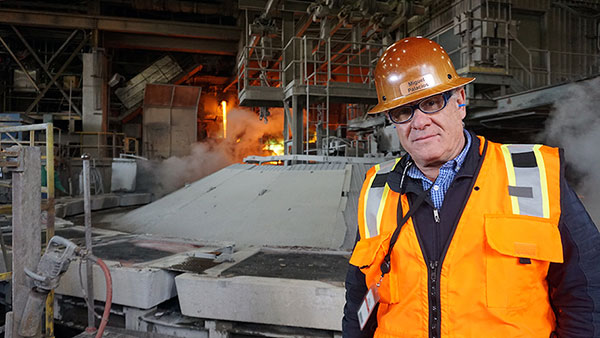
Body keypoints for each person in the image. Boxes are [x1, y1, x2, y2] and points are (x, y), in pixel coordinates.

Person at [342, 36, 600, 337]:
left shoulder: (532, 175)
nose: (420, 121)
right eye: (403, 111)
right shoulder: (378, 190)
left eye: (431, 102)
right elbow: (359, 300)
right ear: (392, 121)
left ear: (460, 101)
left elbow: (587, 290)